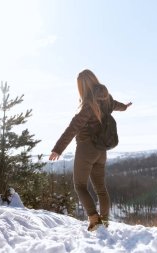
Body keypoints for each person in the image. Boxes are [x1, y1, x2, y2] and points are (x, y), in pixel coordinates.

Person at [49, 69, 132, 231]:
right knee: (101, 189)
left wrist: (58, 149)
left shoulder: (88, 105)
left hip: (86, 149)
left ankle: (95, 220)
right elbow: (117, 106)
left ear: (82, 87)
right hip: (102, 150)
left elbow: (72, 128)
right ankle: (105, 221)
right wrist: (126, 107)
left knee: (80, 185)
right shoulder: (106, 98)